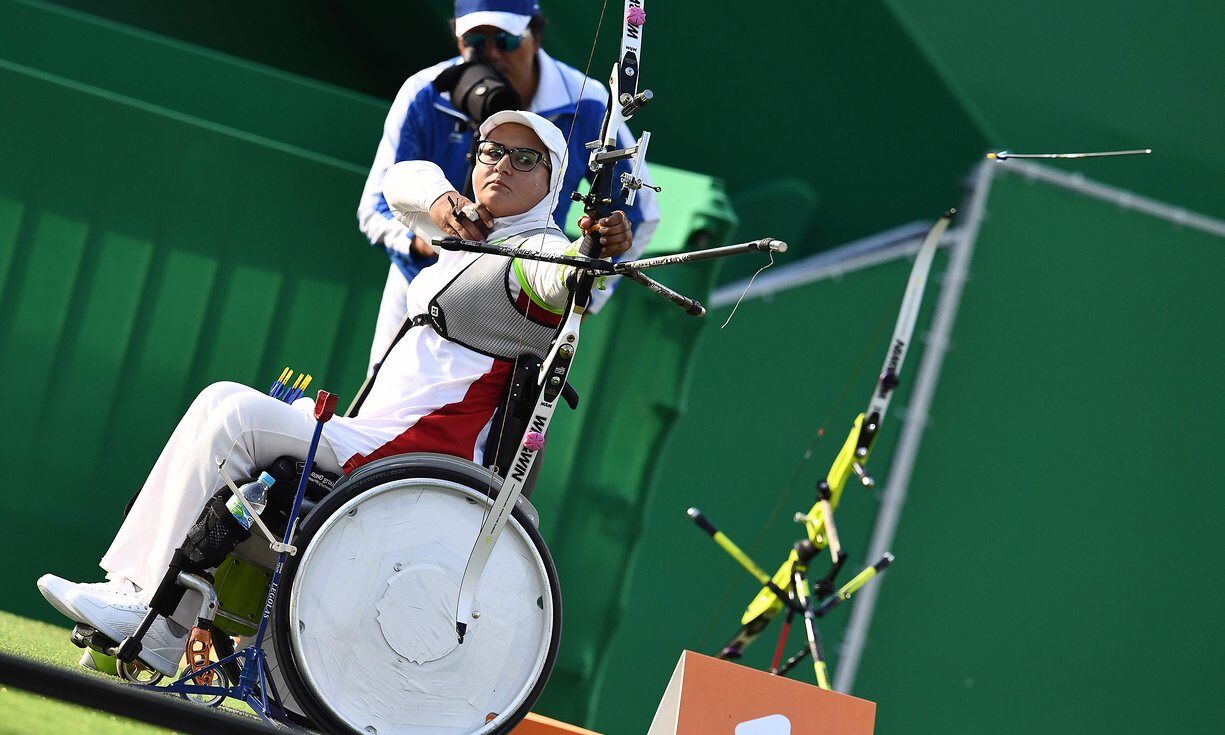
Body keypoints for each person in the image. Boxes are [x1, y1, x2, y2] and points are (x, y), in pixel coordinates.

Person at [37, 110, 634, 677]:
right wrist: (442, 204)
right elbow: (402, 180)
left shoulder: (534, 249)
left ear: (553, 183)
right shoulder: (469, 230)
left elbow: (562, 274)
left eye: (525, 158)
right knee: (231, 420)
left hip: (413, 459)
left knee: (232, 409)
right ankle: (149, 608)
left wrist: (596, 249)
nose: (501, 164)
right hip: (373, 437)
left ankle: (152, 613)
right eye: (491, 151)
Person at [357, 0, 659, 370]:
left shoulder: (589, 101)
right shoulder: (426, 92)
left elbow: (640, 212)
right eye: (475, 42)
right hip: (420, 285)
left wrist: (585, 297)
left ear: (535, 35)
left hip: (523, 297)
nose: (492, 54)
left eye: (505, 40)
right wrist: (422, 241)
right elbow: (376, 206)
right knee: (379, 402)